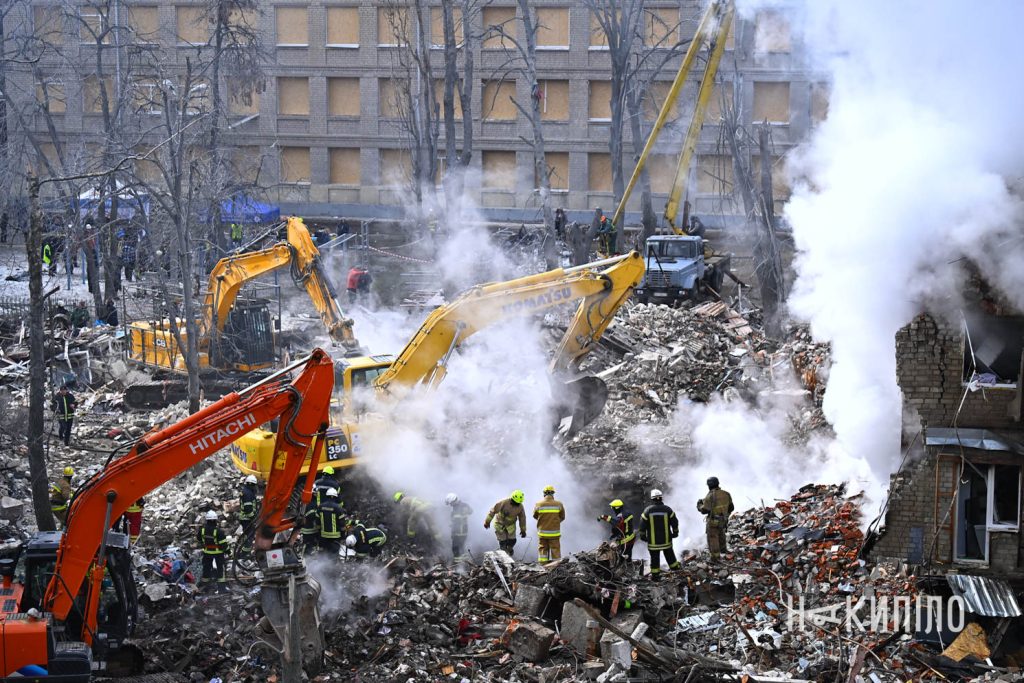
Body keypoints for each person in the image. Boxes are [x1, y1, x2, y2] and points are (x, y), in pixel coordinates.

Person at [639, 489, 680, 580]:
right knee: (670, 556)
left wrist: (643, 536)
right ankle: (676, 571)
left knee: (655, 559)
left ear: (652, 499)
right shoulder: (668, 509)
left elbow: (642, 525)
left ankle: (656, 576)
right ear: (661, 498)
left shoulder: (648, 510)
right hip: (666, 541)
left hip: (653, 543)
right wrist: (675, 533)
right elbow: (675, 522)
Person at [697, 477, 734, 561]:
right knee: (721, 534)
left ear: (709, 485)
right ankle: (723, 552)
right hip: (723, 520)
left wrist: (699, 506)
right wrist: (724, 514)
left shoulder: (710, 496)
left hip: (713, 521)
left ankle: (715, 558)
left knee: (713, 538)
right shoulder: (726, 494)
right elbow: (731, 507)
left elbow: (705, 510)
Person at [484, 490, 527, 555]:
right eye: (515, 502)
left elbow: (522, 518)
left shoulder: (520, 507)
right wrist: (487, 522)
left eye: (518, 503)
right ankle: (503, 555)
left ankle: (509, 549)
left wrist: (523, 530)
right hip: (500, 524)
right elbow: (493, 511)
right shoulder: (504, 502)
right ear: (512, 499)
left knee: (512, 541)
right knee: (503, 542)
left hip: (510, 526)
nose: (516, 504)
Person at [533, 485, 566, 565]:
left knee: (543, 550)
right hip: (554, 534)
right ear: (553, 494)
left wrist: (544, 521)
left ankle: (543, 567)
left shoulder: (538, 504)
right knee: (555, 551)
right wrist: (555, 522)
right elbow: (562, 517)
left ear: (544, 494)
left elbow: (535, 516)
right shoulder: (559, 504)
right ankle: (556, 567)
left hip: (542, 533)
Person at [197, 511, 229, 592]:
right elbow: (224, 545)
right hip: (218, 554)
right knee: (220, 570)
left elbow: (199, 539)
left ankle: (205, 588)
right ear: (215, 520)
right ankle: (222, 589)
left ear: (207, 520)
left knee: (206, 570)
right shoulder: (218, 531)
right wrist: (229, 552)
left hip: (207, 553)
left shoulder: (202, 530)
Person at [444, 493, 473, 562]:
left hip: (458, 531)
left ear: (454, 501)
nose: (450, 505)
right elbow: (471, 511)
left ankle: (457, 564)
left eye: (451, 503)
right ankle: (465, 561)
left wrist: (453, 532)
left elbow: (457, 521)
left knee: (455, 547)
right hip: (464, 530)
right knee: (461, 546)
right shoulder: (464, 505)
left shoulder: (457, 508)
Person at [317, 488, 345, 555]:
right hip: (335, 537)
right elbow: (342, 525)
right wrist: (343, 536)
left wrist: (319, 534)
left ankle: (324, 565)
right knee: (333, 555)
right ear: (334, 497)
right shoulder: (338, 508)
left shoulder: (320, 507)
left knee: (325, 554)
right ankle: (332, 565)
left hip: (323, 536)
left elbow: (317, 522)